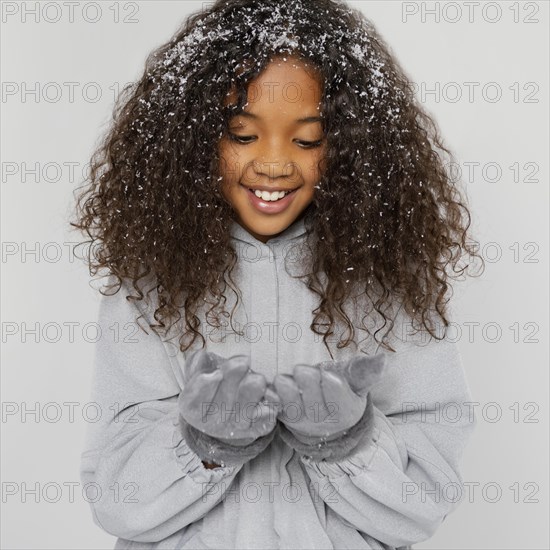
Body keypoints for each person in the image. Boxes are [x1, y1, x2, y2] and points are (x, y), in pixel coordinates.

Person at [70, 0, 483, 548]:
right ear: (192, 142)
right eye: (242, 135)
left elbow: (422, 505)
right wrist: (199, 444)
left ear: (353, 147)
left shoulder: (392, 284)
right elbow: (118, 504)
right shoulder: (153, 285)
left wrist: (348, 443)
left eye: (306, 140)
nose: (273, 162)